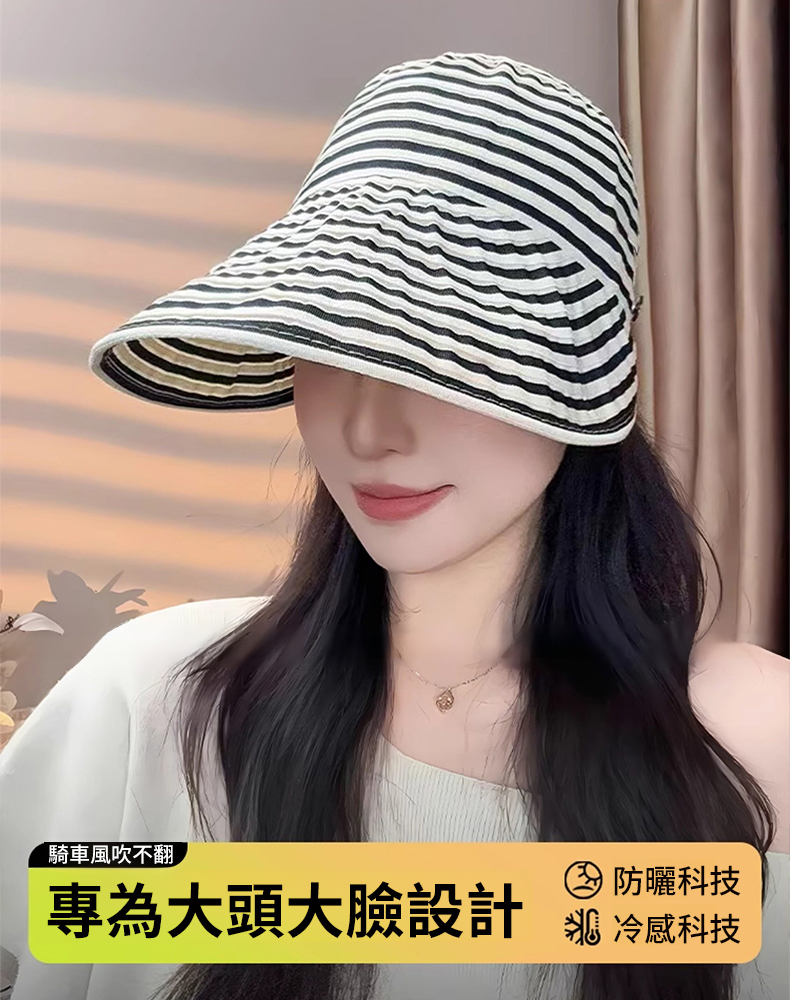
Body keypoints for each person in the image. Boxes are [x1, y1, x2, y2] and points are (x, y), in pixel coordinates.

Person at [1, 51, 787, 1000]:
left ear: (577, 371)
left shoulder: (750, 740)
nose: (372, 429)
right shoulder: (153, 701)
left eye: (449, 352)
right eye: (333, 343)